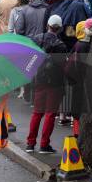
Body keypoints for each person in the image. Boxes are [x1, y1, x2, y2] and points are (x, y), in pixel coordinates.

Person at [25, 15, 67, 154]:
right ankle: (44, 145)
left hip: (39, 80)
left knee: (37, 113)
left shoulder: (37, 39)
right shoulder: (61, 46)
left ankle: (30, 144)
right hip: (55, 83)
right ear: (59, 28)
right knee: (50, 114)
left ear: (47, 25)